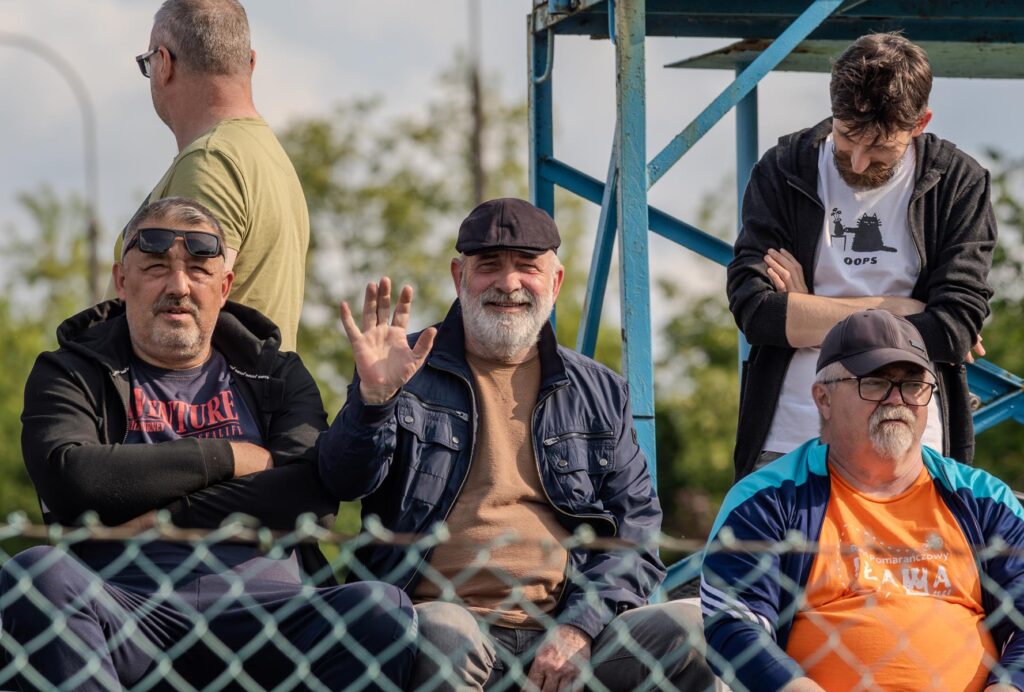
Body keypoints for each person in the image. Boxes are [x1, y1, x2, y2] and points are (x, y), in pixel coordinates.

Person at [2, 198, 414, 690]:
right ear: (121, 281)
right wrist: (231, 456)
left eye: (199, 270)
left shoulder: (274, 373)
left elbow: (311, 495)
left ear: (224, 287)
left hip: (270, 617)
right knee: (38, 575)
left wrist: (160, 516)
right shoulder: (70, 371)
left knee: (379, 608)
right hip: (126, 609)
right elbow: (75, 480)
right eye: (155, 268)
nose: (178, 286)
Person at [318, 198, 713, 689]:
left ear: (556, 281)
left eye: (527, 266)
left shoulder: (599, 390)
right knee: (446, 632)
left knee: (696, 626)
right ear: (459, 277)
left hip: (575, 634)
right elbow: (339, 481)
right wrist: (373, 401)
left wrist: (578, 627)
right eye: (489, 267)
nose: (508, 283)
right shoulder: (404, 368)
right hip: (443, 624)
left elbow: (634, 533)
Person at [701, 309, 1024, 691]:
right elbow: (735, 624)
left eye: (913, 384)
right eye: (874, 383)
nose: (896, 400)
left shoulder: (984, 499)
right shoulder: (767, 499)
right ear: (823, 399)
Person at [727, 32, 996, 479]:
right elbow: (756, 311)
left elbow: (953, 328)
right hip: (788, 443)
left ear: (920, 123)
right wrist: (899, 310)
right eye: (846, 136)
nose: (855, 162)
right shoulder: (784, 167)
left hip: (912, 450)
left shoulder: (958, 182)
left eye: (879, 148)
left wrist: (808, 310)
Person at [115, 0, 309, 351]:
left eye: (147, 64)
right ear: (250, 62)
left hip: (193, 404)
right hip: (245, 400)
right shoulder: (267, 154)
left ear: (163, 64)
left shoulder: (211, 161)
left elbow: (180, 325)